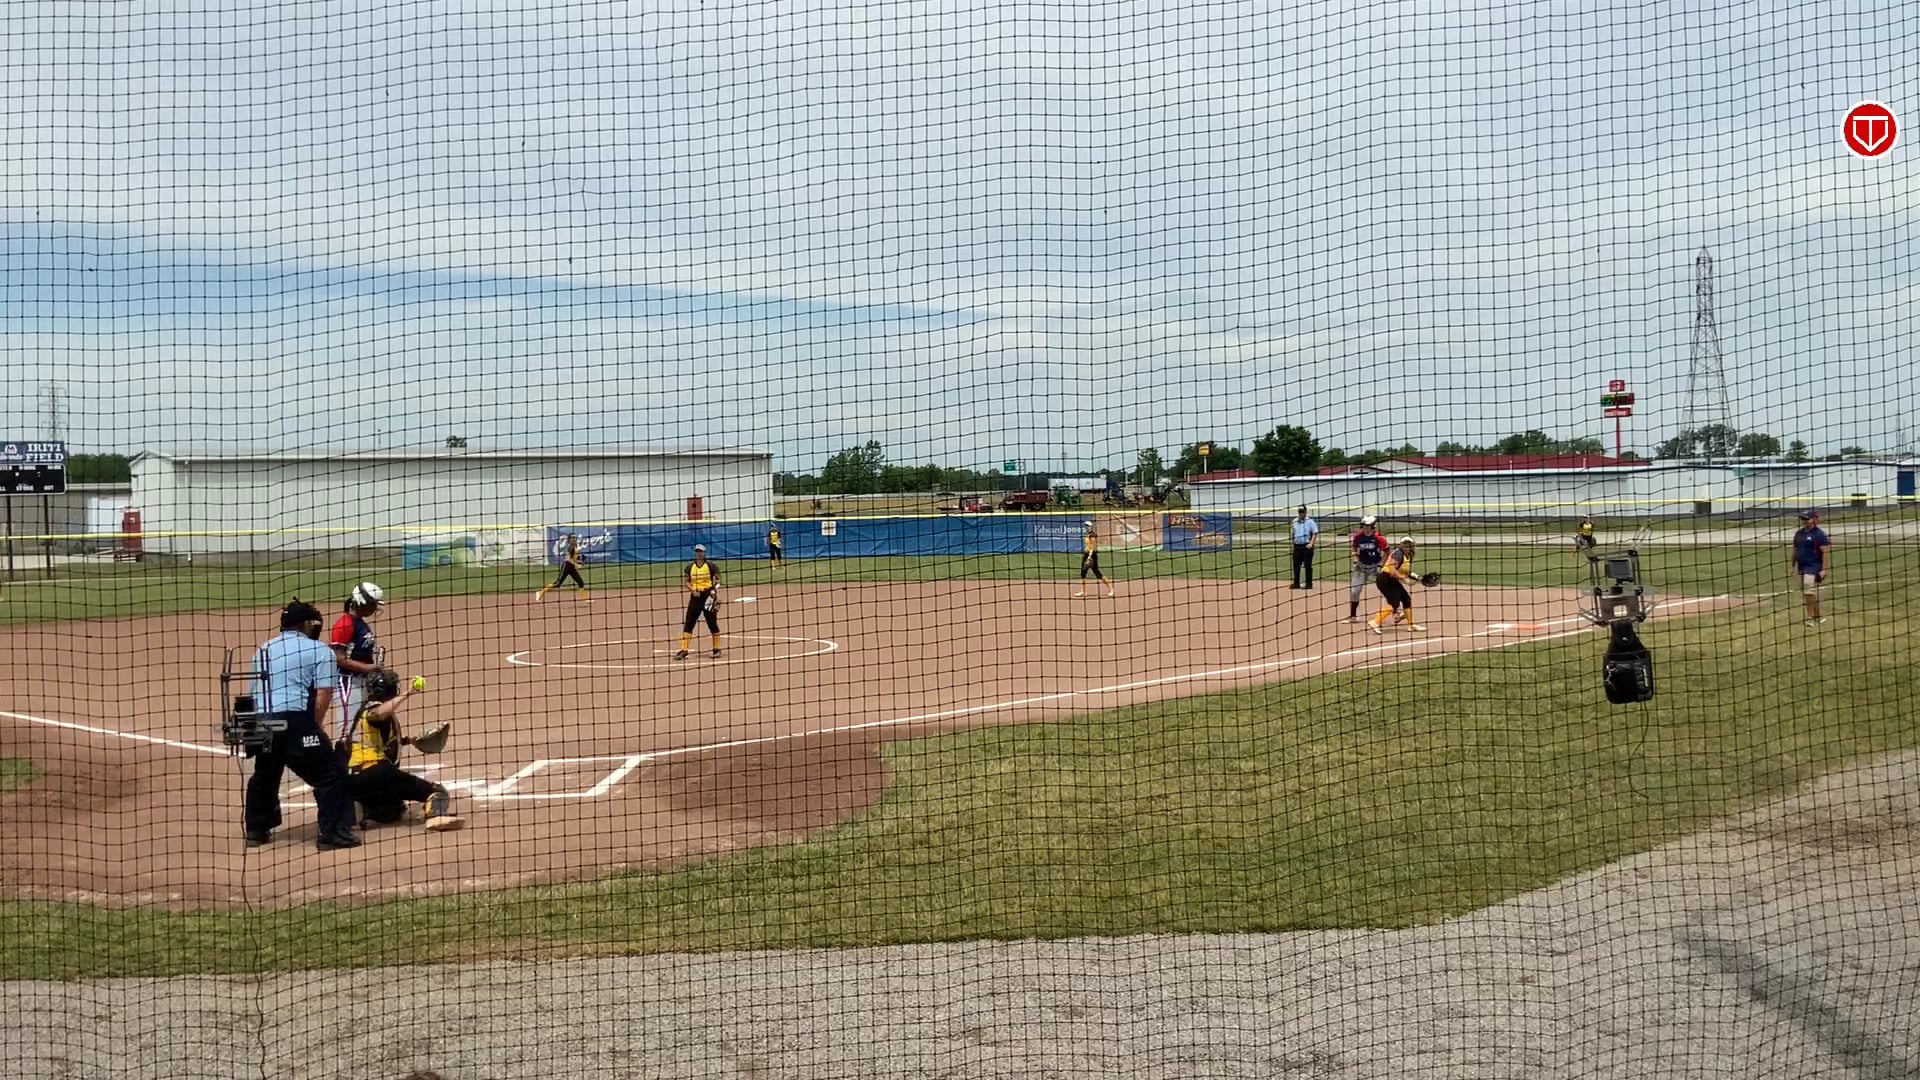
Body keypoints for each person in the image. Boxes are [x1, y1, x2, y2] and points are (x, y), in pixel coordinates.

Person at [244, 599, 360, 850]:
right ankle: (333, 833)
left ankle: (256, 830)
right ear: (306, 624)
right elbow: (324, 693)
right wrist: (314, 727)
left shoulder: (263, 649)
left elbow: (252, 693)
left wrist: (250, 729)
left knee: (266, 772)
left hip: (260, 720)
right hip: (294, 719)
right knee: (331, 772)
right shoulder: (319, 650)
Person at [346, 671, 465, 832]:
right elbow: (377, 714)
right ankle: (436, 817)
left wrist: (410, 740)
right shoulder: (373, 710)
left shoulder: (358, 715)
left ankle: (360, 808)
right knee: (437, 792)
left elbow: (380, 742)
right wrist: (408, 693)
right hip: (378, 772)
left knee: (395, 809)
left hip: (354, 779)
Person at [329, 582, 385, 747]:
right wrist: (369, 667)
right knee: (347, 729)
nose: (375, 608)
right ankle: (345, 760)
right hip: (347, 682)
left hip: (361, 681)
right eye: (373, 604)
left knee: (364, 724)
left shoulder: (359, 622)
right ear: (362, 602)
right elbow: (339, 658)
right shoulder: (345, 624)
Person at [1366, 537, 1426, 635]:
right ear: (1401, 545)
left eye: (1409, 544)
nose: (1407, 546)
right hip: (1385, 579)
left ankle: (1411, 625)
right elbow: (1392, 571)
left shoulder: (1408, 556)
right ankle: (1375, 622)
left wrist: (1418, 578)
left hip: (1391, 580)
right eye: (1405, 544)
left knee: (1406, 599)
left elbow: (1405, 571)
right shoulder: (1398, 554)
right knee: (1394, 603)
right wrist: (1404, 578)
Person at [675, 543, 722, 660]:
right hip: (695, 597)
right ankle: (684, 650)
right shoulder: (690, 567)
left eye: (701, 551)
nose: (699, 553)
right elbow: (686, 582)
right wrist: (692, 590)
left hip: (708, 596)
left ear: (704, 553)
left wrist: (713, 591)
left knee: (712, 623)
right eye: (697, 551)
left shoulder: (711, 566)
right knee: (689, 622)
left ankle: (716, 649)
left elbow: (718, 581)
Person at [1791, 509, 1830, 626]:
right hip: (1802, 566)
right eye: (1802, 518)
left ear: (1814, 520)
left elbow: (1825, 552)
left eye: (1806, 519)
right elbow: (1795, 550)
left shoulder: (1819, 534)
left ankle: (1809, 618)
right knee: (1809, 593)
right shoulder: (1799, 533)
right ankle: (1818, 616)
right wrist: (1792, 566)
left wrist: (1824, 569)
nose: (1804, 521)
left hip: (1813, 566)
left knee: (1808, 591)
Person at [1347, 515, 1387, 622]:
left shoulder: (1379, 538)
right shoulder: (1358, 537)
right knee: (1354, 591)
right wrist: (1355, 557)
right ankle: (1353, 616)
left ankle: (1396, 611)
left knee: (1387, 588)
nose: (1366, 528)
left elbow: (1387, 551)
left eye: (1368, 526)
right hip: (1361, 566)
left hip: (1376, 566)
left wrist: (1381, 564)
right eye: (1364, 525)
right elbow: (1354, 548)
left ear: (1373, 526)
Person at [537, 533, 590, 601]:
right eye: (572, 538)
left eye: (574, 537)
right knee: (557, 584)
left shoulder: (575, 546)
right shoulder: (571, 547)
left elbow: (573, 558)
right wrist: (576, 564)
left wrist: (579, 561)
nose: (574, 539)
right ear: (569, 539)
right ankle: (541, 592)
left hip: (572, 568)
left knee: (580, 582)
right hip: (566, 566)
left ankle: (585, 598)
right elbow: (568, 559)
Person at [1073, 519, 1115, 598]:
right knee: (1083, 573)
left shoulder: (1092, 535)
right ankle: (1083, 591)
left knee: (1097, 573)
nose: (1086, 527)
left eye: (1087, 526)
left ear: (1090, 527)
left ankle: (1111, 589)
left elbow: (1093, 547)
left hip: (1092, 555)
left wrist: (1089, 557)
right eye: (1085, 526)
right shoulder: (1087, 534)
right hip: (1086, 554)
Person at [1290, 505, 1319, 589]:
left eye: (1302, 511)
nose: (1301, 513)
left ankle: (1309, 583)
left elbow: (1315, 533)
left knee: (1307, 565)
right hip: (1297, 546)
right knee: (1296, 566)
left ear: (1305, 512)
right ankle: (1296, 583)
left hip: (1306, 546)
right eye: (1300, 511)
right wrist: (1293, 544)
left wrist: (1311, 543)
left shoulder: (1310, 521)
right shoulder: (1295, 521)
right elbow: (1293, 533)